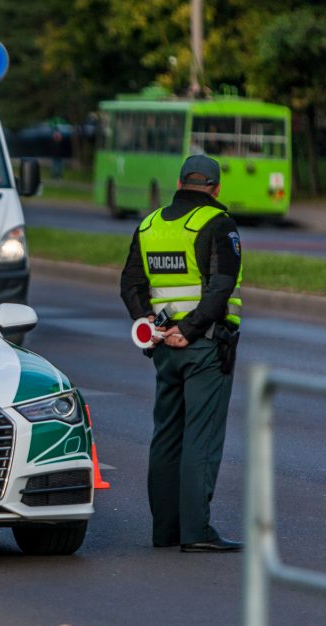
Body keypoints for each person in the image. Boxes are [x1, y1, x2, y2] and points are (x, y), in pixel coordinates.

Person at [120, 154, 243, 553]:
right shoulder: (218, 224)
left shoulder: (150, 224)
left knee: (167, 436)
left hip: (164, 350)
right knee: (201, 439)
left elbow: (130, 285)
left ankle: (165, 531)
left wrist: (152, 327)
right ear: (216, 188)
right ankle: (196, 531)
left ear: (179, 182)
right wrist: (188, 331)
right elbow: (221, 286)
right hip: (203, 346)